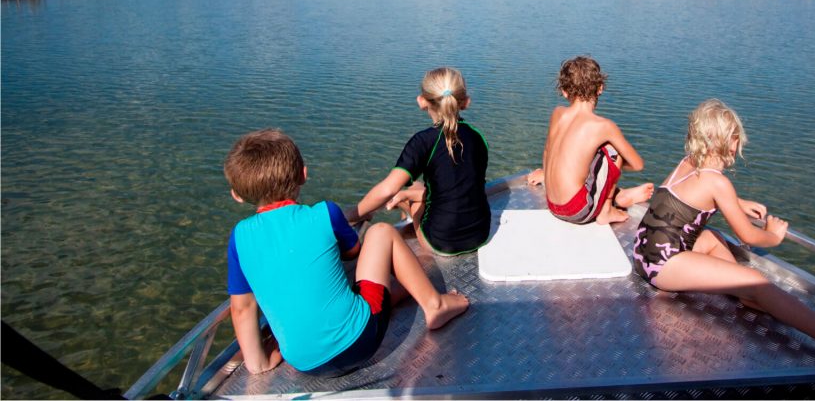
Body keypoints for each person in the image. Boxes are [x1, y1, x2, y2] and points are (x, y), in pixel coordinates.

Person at [632, 99, 815, 365]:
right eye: (736, 138)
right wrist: (773, 235)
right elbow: (749, 237)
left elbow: (689, 198)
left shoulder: (687, 163)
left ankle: (742, 292)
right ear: (729, 140)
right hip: (662, 265)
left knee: (713, 238)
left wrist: (737, 203)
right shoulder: (717, 182)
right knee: (756, 280)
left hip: (643, 253)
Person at [224, 129, 468, 376]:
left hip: (305, 365)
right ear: (303, 175)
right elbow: (353, 253)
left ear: (237, 195)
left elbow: (242, 308)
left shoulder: (239, 238)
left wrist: (259, 364)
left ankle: (400, 293)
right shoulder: (324, 213)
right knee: (381, 233)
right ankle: (435, 304)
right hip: (360, 342)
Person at [352, 67, 491, 255]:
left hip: (440, 241)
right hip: (480, 233)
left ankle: (407, 218)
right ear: (465, 102)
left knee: (408, 190)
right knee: (414, 188)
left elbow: (387, 189)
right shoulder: (477, 137)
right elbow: (460, 186)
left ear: (422, 101)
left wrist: (350, 214)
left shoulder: (422, 141)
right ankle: (406, 202)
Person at [527, 56, 653, 224]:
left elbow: (548, 151)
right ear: (600, 88)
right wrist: (614, 166)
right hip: (577, 211)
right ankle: (607, 210)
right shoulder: (603, 126)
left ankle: (619, 195)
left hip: (552, 204)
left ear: (564, 91)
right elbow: (638, 165)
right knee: (612, 151)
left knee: (579, 151)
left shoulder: (557, 113)